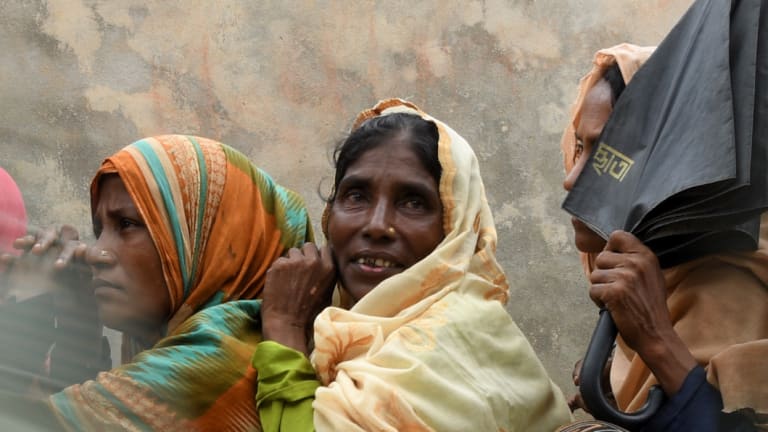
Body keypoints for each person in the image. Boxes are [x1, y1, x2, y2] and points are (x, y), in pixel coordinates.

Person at [253, 98, 573, 431]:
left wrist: (283, 328)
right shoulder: (346, 330)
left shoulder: (447, 346)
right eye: (357, 196)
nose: (377, 225)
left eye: (413, 202)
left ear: (454, 230)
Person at [0, 135, 312, 430]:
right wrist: (78, 319)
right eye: (99, 231)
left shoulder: (207, 368)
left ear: (205, 244)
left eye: (127, 225)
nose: (96, 253)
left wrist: (28, 304)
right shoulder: (228, 346)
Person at [559, 44, 768, 431]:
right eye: (579, 147)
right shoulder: (651, 282)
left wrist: (657, 341)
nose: (571, 178)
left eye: (607, 156)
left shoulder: (731, 282)